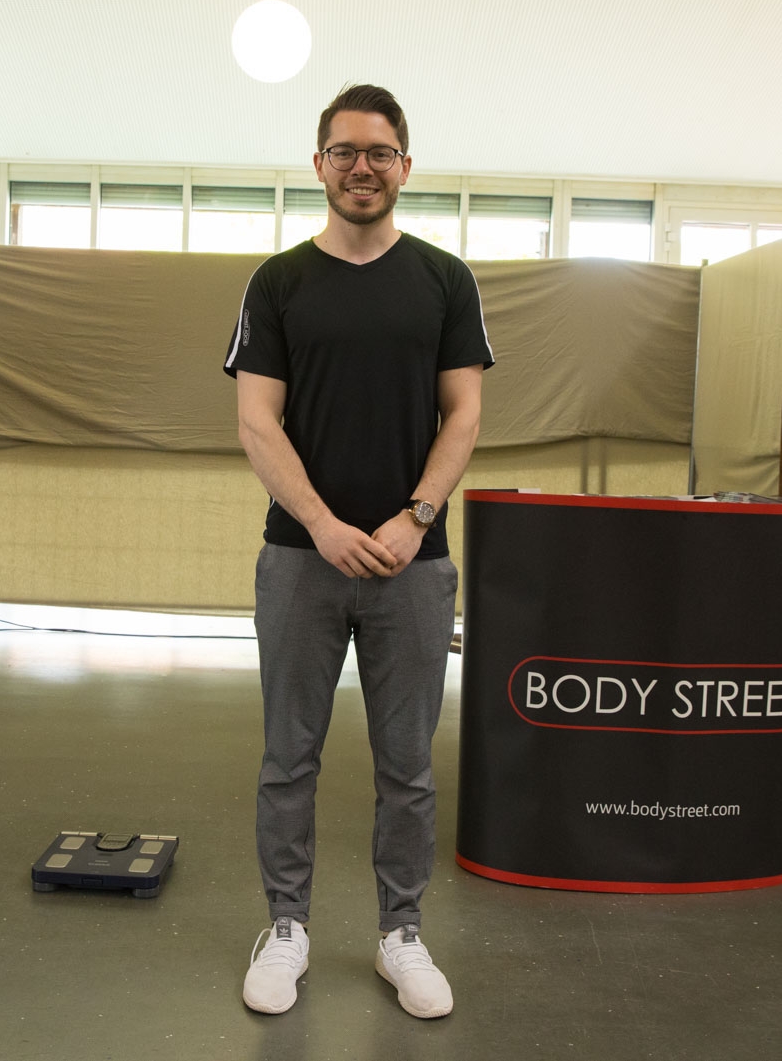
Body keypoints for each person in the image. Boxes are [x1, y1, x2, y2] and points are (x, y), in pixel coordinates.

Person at [222, 84, 493, 1019]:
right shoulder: (278, 284)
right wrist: (324, 524)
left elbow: (464, 413)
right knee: (287, 757)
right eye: (344, 151)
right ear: (320, 165)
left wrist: (415, 516)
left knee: (407, 765)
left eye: (379, 152)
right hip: (301, 561)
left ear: (405, 166)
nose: (362, 167)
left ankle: (401, 933)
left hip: (414, 564)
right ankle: (285, 927)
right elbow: (257, 422)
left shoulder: (445, 281)